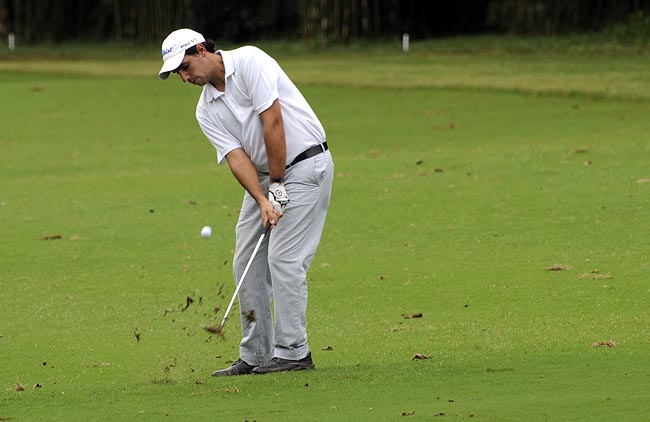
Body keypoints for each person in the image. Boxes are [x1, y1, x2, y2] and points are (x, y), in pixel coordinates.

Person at [158, 28, 334, 375]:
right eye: (177, 72)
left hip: (304, 165)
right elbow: (237, 158)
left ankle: (294, 352)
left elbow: (273, 122)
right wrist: (262, 198)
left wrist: (279, 185)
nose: (184, 76)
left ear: (201, 50)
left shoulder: (251, 61)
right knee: (246, 263)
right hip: (265, 178)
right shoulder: (205, 110)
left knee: (284, 259)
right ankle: (257, 355)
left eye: (185, 65)